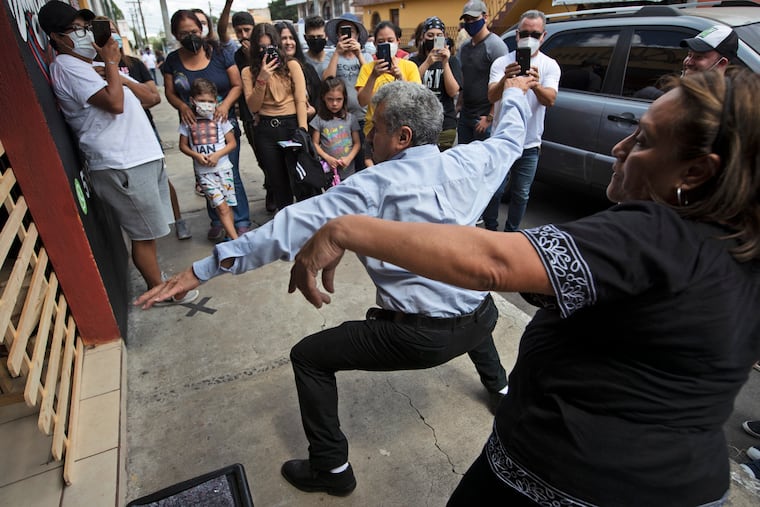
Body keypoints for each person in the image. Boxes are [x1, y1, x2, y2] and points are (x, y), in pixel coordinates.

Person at [289, 68, 760, 506]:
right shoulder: (737, 245)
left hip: (569, 479)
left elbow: (491, 263)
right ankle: (499, 386)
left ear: (696, 172)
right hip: (690, 485)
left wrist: (345, 229)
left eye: (644, 141)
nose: (621, 148)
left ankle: (332, 464)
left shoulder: (658, 234)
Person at [136, 77, 534, 494]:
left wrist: (200, 271)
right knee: (466, 299)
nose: (368, 135)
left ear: (402, 137)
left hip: (419, 338)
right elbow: (510, 136)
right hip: (480, 316)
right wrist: (514, 92)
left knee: (309, 357)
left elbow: (286, 227)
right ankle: (501, 387)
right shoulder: (473, 161)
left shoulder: (373, 185)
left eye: (375, 128)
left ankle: (331, 468)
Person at [38, 1, 198, 306]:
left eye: (85, 28)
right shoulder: (67, 67)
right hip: (120, 160)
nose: (85, 34)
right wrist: (112, 64)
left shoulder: (92, 67)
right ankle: (160, 291)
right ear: (57, 37)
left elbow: (152, 97)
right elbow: (115, 103)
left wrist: (116, 73)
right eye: (76, 30)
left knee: (150, 231)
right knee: (143, 233)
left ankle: (159, 283)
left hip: (140, 155)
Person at [93, 16, 192, 241]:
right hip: (117, 143)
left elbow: (153, 97)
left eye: (113, 30)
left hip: (144, 133)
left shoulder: (133, 64)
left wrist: (122, 81)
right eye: (105, 32)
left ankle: (178, 220)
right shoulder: (91, 70)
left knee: (161, 179)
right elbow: (113, 106)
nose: (111, 36)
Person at [163, 9, 252, 241]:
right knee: (205, 175)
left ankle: (240, 220)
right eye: (184, 33)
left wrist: (225, 106)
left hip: (222, 123)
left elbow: (237, 85)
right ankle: (218, 219)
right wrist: (182, 107)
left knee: (229, 172)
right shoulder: (173, 61)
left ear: (201, 30)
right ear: (175, 34)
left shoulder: (219, 53)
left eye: (194, 31)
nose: (190, 36)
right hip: (195, 128)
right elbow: (170, 92)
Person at [482, 10, 560, 232]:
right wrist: (506, 78)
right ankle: (490, 229)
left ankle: (512, 233)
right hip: (502, 139)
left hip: (529, 143)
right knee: (494, 189)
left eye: (535, 35)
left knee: (521, 193)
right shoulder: (501, 63)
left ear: (543, 36)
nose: (529, 38)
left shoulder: (549, 66)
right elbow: (491, 96)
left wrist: (535, 85)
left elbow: (550, 100)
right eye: (524, 33)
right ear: (517, 35)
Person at [242, 23, 310, 209]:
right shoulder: (248, 72)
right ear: (255, 49)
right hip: (266, 130)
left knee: (301, 179)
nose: (266, 52)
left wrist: (302, 129)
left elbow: (300, 100)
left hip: (292, 126)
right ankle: (287, 224)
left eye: (270, 47)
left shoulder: (291, 65)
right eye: (261, 48)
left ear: (277, 46)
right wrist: (262, 78)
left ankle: (307, 222)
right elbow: (253, 107)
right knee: (279, 184)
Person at [179, 78, 239, 241]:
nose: (206, 104)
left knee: (227, 207)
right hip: (204, 174)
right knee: (221, 207)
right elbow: (183, 146)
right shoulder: (188, 121)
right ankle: (236, 240)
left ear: (216, 101)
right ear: (192, 100)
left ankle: (230, 236)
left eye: (210, 101)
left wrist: (218, 155)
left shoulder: (220, 118)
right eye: (202, 101)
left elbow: (232, 142)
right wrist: (197, 156)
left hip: (224, 169)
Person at [323, 13, 372, 172]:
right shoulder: (331, 55)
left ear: (357, 34)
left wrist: (358, 55)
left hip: (364, 117)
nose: (347, 34)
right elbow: (327, 80)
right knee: (346, 166)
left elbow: (372, 78)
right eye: (343, 31)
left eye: (351, 31)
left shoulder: (366, 56)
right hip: (340, 120)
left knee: (364, 163)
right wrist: (337, 53)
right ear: (337, 36)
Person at [356, 21, 421, 142]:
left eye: (390, 41)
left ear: (398, 41)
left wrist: (400, 77)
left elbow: (417, 99)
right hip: (375, 131)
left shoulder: (410, 66)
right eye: (381, 42)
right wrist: (373, 76)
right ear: (375, 44)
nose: (386, 44)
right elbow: (362, 101)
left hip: (403, 128)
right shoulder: (367, 68)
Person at [457, 0, 508, 144]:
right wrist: (459, 104)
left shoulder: (496, 46)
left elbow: (504, 83)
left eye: (474, 19)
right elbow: (464, 78)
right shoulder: (464, 47)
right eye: (467, 20)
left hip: (484, 118)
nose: (470, 23)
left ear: (485, 17)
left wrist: (490, 116)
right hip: (466, 115)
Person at [409, 17, 462, 150]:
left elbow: (453, 91)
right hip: (420, 123)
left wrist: (445, 63)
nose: (434, 39)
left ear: (444, 38)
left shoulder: (453, 61)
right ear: (423, 37)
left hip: (445, 123)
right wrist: (427, 63)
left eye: (439, 35)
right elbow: (409, 86)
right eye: (430, 35)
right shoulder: (415, 61)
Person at [310, 76, 361, 182]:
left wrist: (349, 158)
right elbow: (314, 143)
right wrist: (327, 158)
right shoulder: (319, 119)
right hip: (329, 171)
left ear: (344, 98)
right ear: (323, 98)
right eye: (330, 99)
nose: (334, 104)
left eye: (339, 99)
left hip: (348, 170)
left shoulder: (351, 119)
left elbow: (357, 143)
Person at [275, 20, 321, 121]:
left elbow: (319, 96)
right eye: (283, 38)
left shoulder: (308, 68)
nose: (288, 42)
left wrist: (314, 110)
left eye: (291, 38)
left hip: (309, 126)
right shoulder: (271, 71)